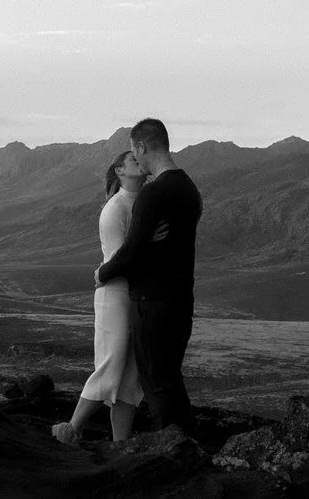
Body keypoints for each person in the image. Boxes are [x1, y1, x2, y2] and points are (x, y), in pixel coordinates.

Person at [94, 118, 201, 434]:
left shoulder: (153, 194)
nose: (135, 158)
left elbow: (131, 252)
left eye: (133, 151)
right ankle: (187, 444)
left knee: (156, 383)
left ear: (142, 146)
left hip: (153, 302)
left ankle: (177, 450)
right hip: (182, 300)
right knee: (171, 379)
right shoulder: (189, 188)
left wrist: (103, 273)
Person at [51, 150, 145, 445]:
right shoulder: (115, 209)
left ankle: (120, 444)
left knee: (131, 375)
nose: (139, 162)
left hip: (133, 295)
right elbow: (123, 259)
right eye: (133, 160)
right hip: (116, 294)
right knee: (111, 364)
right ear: (119, 171)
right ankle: (71, 429)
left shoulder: (140, 203)